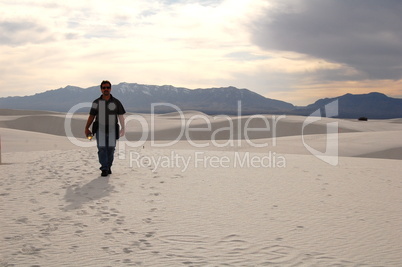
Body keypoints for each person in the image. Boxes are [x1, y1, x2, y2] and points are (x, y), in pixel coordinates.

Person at [85, 80, 126, 177]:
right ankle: (104, 168)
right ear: (101, 89)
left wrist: (123, 127)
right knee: (102, 148)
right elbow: (91, 116)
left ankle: (108, 166)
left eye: (107, 87)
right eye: (104, 88)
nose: (106, 89)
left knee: (111, 149)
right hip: (100, 128)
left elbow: (120, 116)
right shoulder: (96, 102)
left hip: (112, 129)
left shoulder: (116, 102)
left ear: (110, 89)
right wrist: (86, 128)